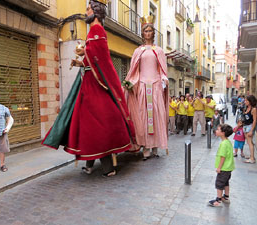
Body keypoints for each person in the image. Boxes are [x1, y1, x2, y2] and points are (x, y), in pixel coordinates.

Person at [42, 0, 136, 177]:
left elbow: (100, 57)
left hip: (95, 85)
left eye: (88, 9)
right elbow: (93, 59)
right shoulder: (94, 31)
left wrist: (84, 52)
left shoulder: (97, 30)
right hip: (88, 83)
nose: (85, 12)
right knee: (88, 125)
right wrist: (81, 60)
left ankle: (107, 167)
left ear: (96, 11)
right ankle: (90, 164)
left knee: (98, 124)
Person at [124, 15, 169, 160]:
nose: (148, 33)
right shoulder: (138, 51)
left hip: (156, 86)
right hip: (142, 86)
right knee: (143, 117)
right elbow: (134, 70)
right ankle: (145, 146)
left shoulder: (159, 51)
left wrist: (163, 81)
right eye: (146, 31)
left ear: (153, 33)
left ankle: (155, 146)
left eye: (150, 30)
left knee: (156, 117)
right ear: (142, 33)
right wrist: (131, 83)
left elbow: (162, 70)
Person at [209, 124, 234, 207]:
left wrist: (219, 167)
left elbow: (223, 157)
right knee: (226, 183)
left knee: (219, 184)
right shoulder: (228, 142)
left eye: (218, 130)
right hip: (228, 167)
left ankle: (218, 200)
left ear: (223, 133)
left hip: (224, 168)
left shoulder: (223, 144)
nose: (216, 130)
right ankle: (226, 197)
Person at [243, 95, 257, 164]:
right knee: (249, 142)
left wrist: (251, 130)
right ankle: (252, 156)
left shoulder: (253, 109)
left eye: (246, 101)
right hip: (245, 126)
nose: (245, 102)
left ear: (250, 101)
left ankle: (252, 159)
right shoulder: (246, 108)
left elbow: (254, 120)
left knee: (250, 142)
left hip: (249, 127)